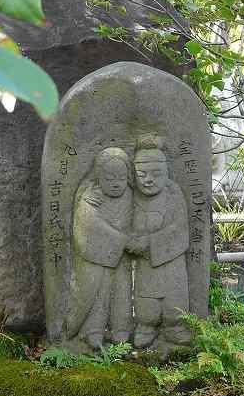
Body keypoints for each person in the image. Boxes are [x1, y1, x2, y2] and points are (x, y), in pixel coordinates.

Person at [126, 136, 191, 348]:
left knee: (174, 301)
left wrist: (149, 242)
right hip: (145, 265)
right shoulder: (131, 196)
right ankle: (146, 326)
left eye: (156, 174)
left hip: (171, 262)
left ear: (166, 173)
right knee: (147, 303)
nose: (148, 180)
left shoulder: (173, 194)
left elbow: (179, 228)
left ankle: (174, 327)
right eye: (142, 174)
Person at [67, 147, 133, 349]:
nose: (116, 183)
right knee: (99, 293)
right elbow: (88, 224)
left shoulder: (131, 196)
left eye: (121, 178)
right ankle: (93, 330)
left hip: (123, 258)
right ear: (98, 177)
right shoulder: (90, 197)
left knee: (122, 292)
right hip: (96, 258)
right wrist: (121, 239)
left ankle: (121, 329)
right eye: (109, 178)